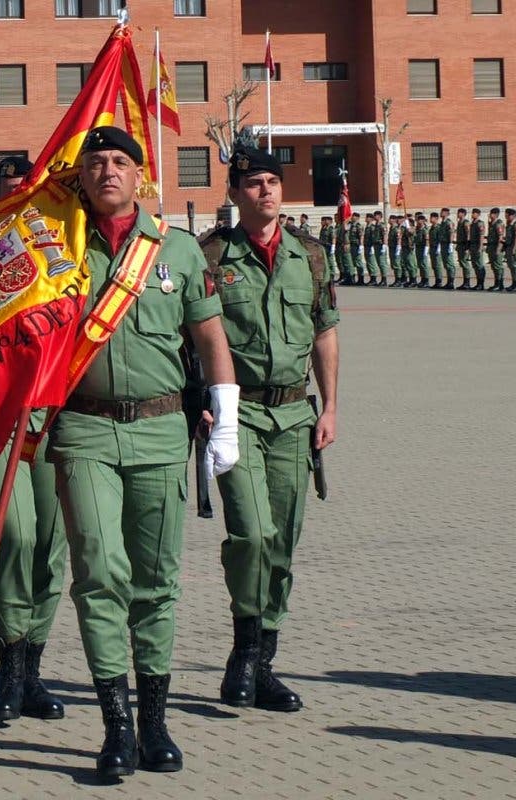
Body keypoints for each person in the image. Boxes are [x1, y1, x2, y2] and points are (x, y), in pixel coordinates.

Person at [47, 126, 239, 780]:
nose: (107, 171)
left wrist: (227, 420)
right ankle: (117, 728)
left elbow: (210, 337)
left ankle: (155, 722)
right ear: (81, 177)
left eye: (119, 161)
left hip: (160, 431)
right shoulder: (55, 249)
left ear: (139, 174)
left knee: (156, 581)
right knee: (100, 574)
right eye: (95, 162)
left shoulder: (178, 251)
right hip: (84, 432)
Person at [198, 146, 340, 715]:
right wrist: (199, 402)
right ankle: (243, 648)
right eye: (253, 183)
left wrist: (330, 406)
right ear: (234, 194)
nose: (266, 191)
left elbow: (324, 332)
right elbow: (195, 335)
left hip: (294, 416)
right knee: (251, 534)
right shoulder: (210, 254)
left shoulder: (309, 254)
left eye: (273, 182)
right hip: (239, 415)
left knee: (283, 541)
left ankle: (263, 661)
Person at [0, 155, 70, 725]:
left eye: (26, 192)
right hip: (1, 426)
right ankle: (8, 669)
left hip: (57, 422)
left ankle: (33, 669)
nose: (19, 200)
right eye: (9, 193)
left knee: (51, 549)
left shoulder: (65, 262)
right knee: (15, 537)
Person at [503, 208, 516, 292]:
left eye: (508, 215)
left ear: (513, 216)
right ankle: (514, 283)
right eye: (506, 214)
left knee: (515, 267)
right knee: (511, 266)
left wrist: (514, 249)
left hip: (514, 247)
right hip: (509, 247)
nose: (506, 216)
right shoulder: (509, 224)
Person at [467, 208, 486, 290]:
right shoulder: (472, 223)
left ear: (478, 214)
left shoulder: (480, 223)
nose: (472, 214)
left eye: (474, 213)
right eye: (472, 213)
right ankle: (478, 283)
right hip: (472, 246)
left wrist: (480, 247)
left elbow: (481, 235)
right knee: (475, 265)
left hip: (477, 246)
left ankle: (481, 284)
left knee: (479, 265)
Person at [437, 208, 456, 289]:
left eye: (442, 212)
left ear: (446, 213)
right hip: (443, 244)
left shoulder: (449, 222)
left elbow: (452, 233)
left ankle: (451, 282)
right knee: (446, 264)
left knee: (450, 264)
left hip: (447, 244)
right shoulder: (442, 223)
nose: (441, 213)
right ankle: (448, 282)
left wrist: (451, 244)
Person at [318, 216, 337, 283]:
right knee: (325, 262)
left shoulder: (331, 229)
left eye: (327, 220)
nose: (325, 221)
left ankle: (332, 276)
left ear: (330, 221)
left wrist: (333, 247)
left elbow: (333, 238)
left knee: (330, 262)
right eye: (325, 220)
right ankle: (327, 276)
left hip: (329, 247)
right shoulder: (324, 228)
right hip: (324, 247)